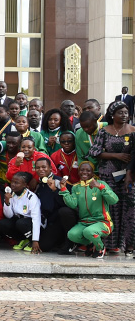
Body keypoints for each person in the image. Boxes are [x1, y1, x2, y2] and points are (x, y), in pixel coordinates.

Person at [88, 102, 135, 254]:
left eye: (126, 112)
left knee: (129, 209)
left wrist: (129, 172)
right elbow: (94, 152)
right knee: (110, 209)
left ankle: (129, 245)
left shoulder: (133, 131)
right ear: (112, 115)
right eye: (121, 112)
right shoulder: (104, 131)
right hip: (108, 174)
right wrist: (116, 155)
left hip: (128, 176)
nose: (124, 115)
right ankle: (109, 244)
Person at [59, 162, 118, 258]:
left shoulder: (101, 184)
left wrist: (100, 186)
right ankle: (91, 244)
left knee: (89, 232)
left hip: (103, 222)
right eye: (82, 170)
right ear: (78, 172)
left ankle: (100, 248)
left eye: (88, 170)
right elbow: (72, 204)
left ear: (92, 173)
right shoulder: (76, 187)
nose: (84, 172)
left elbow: (114, 200)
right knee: (71, 235)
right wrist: (64, 189)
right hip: (84, 222)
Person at [33, 157, 79, 254]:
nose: (41, 170)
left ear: (50, 168)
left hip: (62, 218)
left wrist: (54, 190)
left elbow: (69, 204)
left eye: (44, 167)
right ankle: (59, 242)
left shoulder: (59, 182)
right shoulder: (38, 184)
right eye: (38, 167)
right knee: (44, 246)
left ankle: (71, 241)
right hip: (50, 221)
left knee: (64, 211)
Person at [0, 172, 44, 253]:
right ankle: (22, 240)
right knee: (2, 223)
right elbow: (9, 216)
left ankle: (31, 241)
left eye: (17, 183)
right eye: (12, 182)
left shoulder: (31, 197)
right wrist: (7, 202)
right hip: (20, 222)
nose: (13, 185)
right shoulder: (12, 194)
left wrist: (35, 240)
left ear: (25, 185)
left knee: (21, 223)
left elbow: (36, 219)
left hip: (32, 224)